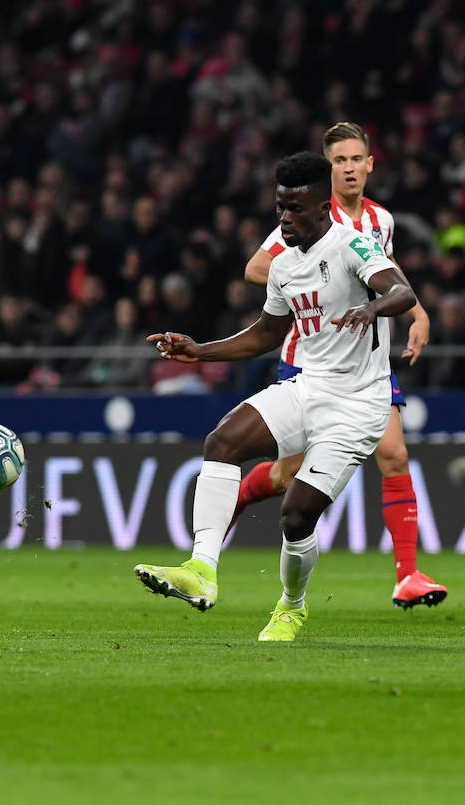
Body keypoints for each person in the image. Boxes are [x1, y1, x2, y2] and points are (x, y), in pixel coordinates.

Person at [134, 152, 419, 642]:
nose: (285, 219)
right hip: (310, 386)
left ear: (323, 207)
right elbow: (266, 332)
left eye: (296, 209)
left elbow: (402, 293)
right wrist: (200, 351)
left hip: (358, 406)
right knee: (222, 442)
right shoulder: (284, 266)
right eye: (280, 208)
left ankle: (292, 606)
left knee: (296, 514)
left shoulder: (353, 244)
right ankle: (202, 569)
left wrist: (372, 309)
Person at [230, 122, 448, 609]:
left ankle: (408, 575)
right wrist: (313, 285)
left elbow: (386, 273)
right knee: (288, 475)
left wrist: (417, 313)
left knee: (394, 454)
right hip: (311, 359)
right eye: (339, 161)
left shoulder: (381, 221)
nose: (348, 169)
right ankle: (243, 497)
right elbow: (255, 268)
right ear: (327, 171)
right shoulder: (304, 222)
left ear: (370, 164)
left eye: (356, 160)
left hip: (366, 361)